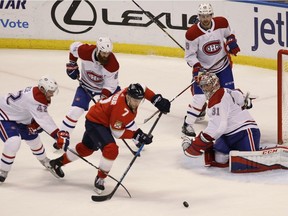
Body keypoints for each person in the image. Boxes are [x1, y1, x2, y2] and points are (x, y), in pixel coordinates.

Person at [49, 83, 171, 194]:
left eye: (139, 100)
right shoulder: (121, 109)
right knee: (111, 149)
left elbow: (143, 88)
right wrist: (136, 135)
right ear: (128, 97)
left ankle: (56, 163)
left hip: (101, 119)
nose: (136, 103)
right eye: (134, 100)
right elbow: (117, 132)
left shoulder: (129, 93)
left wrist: (156, 100)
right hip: (96, 122)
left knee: (86, 149)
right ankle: (100, 178)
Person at [182, 3, 241, 137]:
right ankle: (187, 124)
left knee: (229, 95)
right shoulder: (192, 34)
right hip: (205, 70)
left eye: (208, 16)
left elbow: (230, 33)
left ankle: (232, 122)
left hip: (223, 66)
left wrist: (231, 40)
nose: (205, 19)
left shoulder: (221, 22)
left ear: (211, 15)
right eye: (203, 16)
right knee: (200, 97)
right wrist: (196, 66)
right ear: (199, 16)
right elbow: (189, 56)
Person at [53, 37, 120, 149]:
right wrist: (72, 64)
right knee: (75, 111)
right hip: (85, 87)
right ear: (98, 50)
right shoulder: (85, 51)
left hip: (105, 89)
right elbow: (73, 47)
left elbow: (110, 85)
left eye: (107, 53)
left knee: (117, 112)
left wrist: (102, 99)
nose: (105, 56)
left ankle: (135, 136)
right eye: (103, 53)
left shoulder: (112, 64)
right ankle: (63, 136)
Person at [0, 75, 70, 182]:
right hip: (5, 117)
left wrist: (35, 124)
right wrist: (57, 135)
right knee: (13, 141)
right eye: (50, 91)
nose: (52, 94)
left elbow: (35, 114)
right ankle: (3, 170)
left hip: (22, 118)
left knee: (34, 140)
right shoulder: (36, 99)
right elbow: (44, 119)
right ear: (42, 89)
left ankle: (44, 160)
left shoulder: (37, 93)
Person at [182, 73, 260, 167]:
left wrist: (196, 145)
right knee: (220, 159)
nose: (205, 89)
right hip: (227, 135)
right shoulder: (227, 91)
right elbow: (240, 97)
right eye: (203, 86)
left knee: (249, 160)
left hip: (244, 131)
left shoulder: (218, 97)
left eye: (207, 85)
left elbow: (218, 127)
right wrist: (246, 101)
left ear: (215, 84)